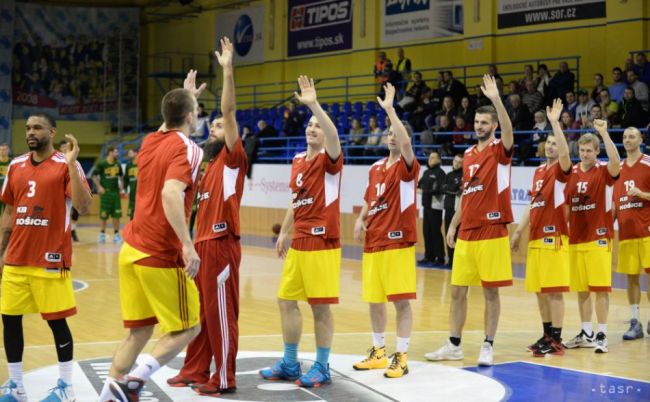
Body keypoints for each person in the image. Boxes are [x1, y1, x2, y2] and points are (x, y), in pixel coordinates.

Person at [98, 71, 205, 401]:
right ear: (190, 117)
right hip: (159, 252)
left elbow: (169, 122)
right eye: (196, 112)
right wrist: (188, 245)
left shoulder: (150, 141)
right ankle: (133, 382)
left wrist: (187, 97)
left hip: (130, 248)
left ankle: (107, 395)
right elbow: (171, 194)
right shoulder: (190, 149)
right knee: (189, 327)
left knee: (139, 331)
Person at [166, 38, 247, 396]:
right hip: (201, 244)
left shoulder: (232, 158)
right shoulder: (205, 162)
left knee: (219, 315)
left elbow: (228, 113)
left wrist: (228, 69)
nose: (213, 127)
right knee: (201, 314)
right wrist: (188, 99)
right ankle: (196, 368)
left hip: (221, 241)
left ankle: (225, 377)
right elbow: (177, 132)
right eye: (209, 125)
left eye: (217, 127)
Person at [0, 113, 92, 402]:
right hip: (16, 259)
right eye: (27, 127)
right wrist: (0, 253)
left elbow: (83, 206)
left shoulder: (66, 165)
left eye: (37, 127)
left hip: (50, 260)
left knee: (56, 322)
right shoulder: (15, 166)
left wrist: (72, 165)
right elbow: (8, 214)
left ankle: (66, 387)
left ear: (52, 132)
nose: (31, 132)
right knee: (10, 320)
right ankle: (16, 386)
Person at [425, 75, 515, 366]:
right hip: (467, 232)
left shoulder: (501, 150)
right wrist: (453, 224)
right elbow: (467, 192)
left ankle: (488, 344)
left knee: (490, 291)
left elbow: (510, 132)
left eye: (485, 123)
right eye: (477, 122)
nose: (479, 126)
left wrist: (497, 99)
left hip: (492, 229)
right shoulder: (467, 154)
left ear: (494, 126)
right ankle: (454, 344)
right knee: (457, 290)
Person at [259, 75, 342, 388]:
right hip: (300, 240)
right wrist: (285, 231)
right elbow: (297, 199)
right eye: (309, 124)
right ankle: (291, 362)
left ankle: (322, 366)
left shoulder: (330, 158)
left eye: (317, 126)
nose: (312, 128)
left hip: (323, 241)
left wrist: (314, 105)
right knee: (286, 300)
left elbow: (333, 134)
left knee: (320, 307)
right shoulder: (296, 160)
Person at [351, 82, 419, 378]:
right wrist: (360, 218)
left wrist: (390, 110)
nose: (392, 137)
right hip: (373, 240)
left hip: (397, 242)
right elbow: (371, 197)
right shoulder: (376, 166)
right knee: (375, 300)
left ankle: (401, 356)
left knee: (400, 301)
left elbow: (405, 144)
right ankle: (379, 351)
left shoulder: (408, 167)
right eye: (389, 133)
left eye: (396, 133)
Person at [510, 99, 572, 357]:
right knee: (539, 291)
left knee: (554, 291)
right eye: (548, 143)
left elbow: (567, 155)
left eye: (555, 143)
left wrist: (556, 123)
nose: (550, 147)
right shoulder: (537, 172)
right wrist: (518, 230)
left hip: (554, 238)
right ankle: (547, 334)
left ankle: (556, 338)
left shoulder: (561, 169)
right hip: (535, 237)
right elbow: (531, 205)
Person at [563, 120, 620, 354]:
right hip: (576, 238)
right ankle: (586, 332)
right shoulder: (572, 173)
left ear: (597, 152)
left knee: (600, 289)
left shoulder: (605, 171)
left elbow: (617, 161)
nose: (585, 154)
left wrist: (604, 133)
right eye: (583, 150)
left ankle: (602, 333)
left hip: (599, 237)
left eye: (590, 150)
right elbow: (566, 205)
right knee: (582, 289)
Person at [612, 127, 650, 340]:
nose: (627, 140)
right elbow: (615, 203)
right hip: (626, 233)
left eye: (632, 136)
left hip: (647, 231)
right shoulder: (617, 168)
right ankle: (635, 322)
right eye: (625, 137)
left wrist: (642, 194)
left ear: (641, 139)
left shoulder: (648, 163)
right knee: (631, 278)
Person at [417, 151, 445, 266]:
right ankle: (429, 256)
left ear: (438, 160)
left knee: (435, 232)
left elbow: (438, 190)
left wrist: (424, 191)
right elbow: (418, 185)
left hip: (435, 207)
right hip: (426, 206)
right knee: (426, 232)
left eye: (433, 157)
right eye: (430, 157)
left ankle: (440, 257)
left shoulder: (440, 173)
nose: (430, 159)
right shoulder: (426, 172)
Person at [92, 146, 123, 244]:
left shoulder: (118, 164)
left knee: (116, 215)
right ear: (110, 153)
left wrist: (122, 185)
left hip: (115, 193)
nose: (117, 154)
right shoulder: (102, 164)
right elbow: (93, 175)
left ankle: (117, 235)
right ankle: (102, 234)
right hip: (105, 193)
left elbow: (121, 176)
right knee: (103, 215)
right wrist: (99, 187)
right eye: (115, 152)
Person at [442, 154, 463, 267]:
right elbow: (443, 188)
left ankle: (457, 261)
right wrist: (451, 189)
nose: (456, 163)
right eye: (455, 161)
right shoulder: (449, 175)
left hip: (457, 211)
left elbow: (456, 190)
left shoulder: (463, 175)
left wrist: (449, 189)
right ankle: (450, 260)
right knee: (448, 234)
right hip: (448, 208)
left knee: (457, 236)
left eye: (460, 162)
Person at [58, 140, 80, 242]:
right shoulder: (56, 161)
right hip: (59, 189)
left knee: (74, 212)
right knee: (61, 212)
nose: (64, 149)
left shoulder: (74, 161)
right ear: (60, 149)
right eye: (63, 147)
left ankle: (73, 231)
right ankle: (61, 232)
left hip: (72, 188)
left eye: (66, 147)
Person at [124, 148, 138, 220]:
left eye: (130, 153)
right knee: (131, 216)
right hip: (132, 195)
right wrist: (126, 191)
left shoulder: (142, 164)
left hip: (141, 195)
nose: (128, 155)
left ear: (136, 153)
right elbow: (126, 179)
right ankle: (132, 231)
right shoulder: (128, 166)